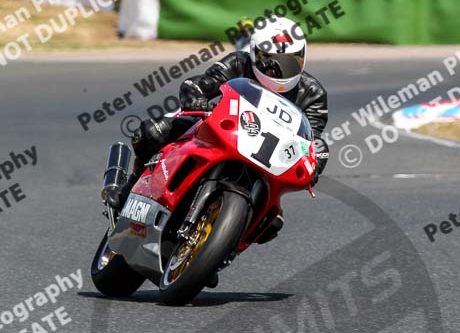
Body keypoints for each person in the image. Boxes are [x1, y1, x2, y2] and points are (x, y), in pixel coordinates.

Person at [106, 16, 330, 244]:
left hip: (268, 158)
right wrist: (196, 98)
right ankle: (128, 189)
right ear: (254, 54)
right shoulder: (238, 62)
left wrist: (316, 163)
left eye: (289, 62)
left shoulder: (313, 94)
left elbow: (312, 140)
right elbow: (198, 84)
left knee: (271, 223)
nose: (279, 72)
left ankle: (221, 249)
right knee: (152, 132)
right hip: (219, 129)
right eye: (270, 63)